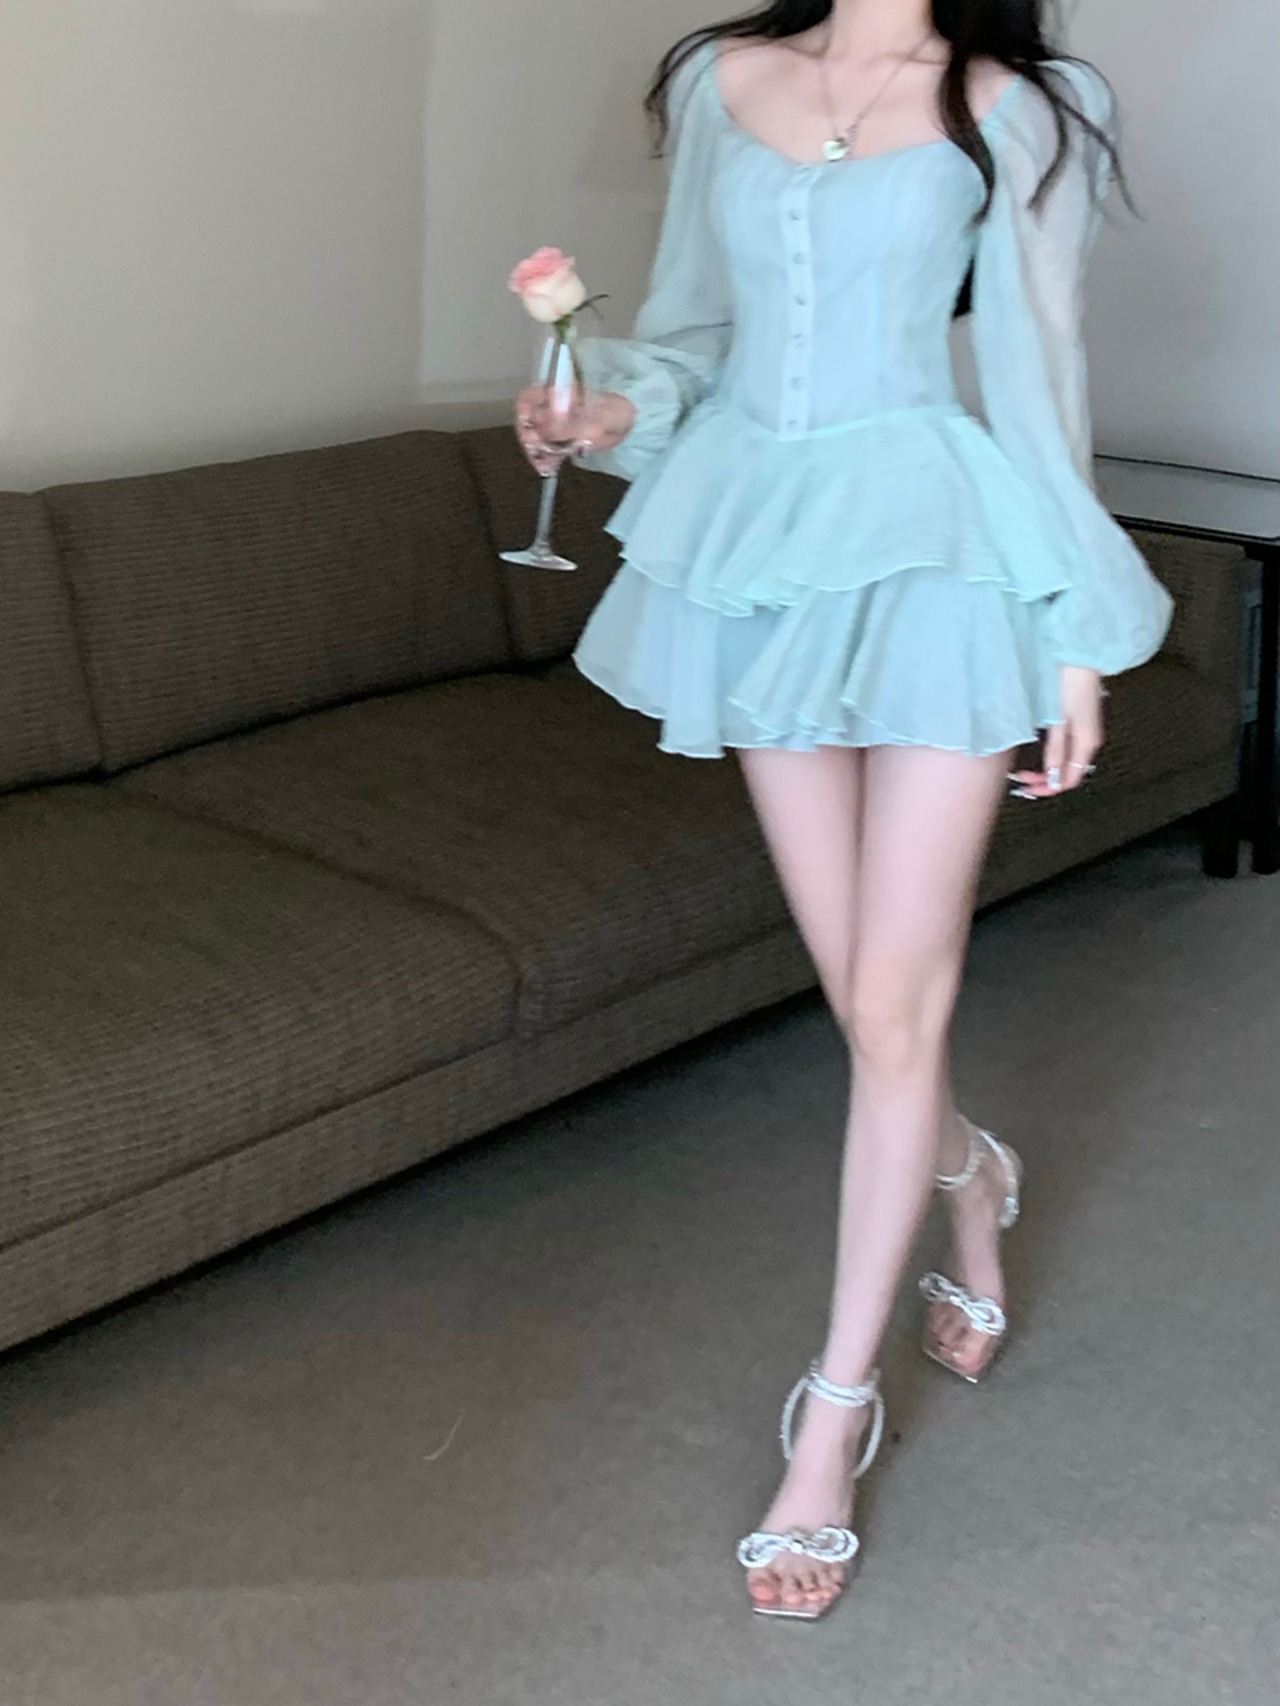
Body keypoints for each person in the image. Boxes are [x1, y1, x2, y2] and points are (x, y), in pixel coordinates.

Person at [514, 0, 1173, 1623]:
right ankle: (972, 1171)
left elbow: (1039, 373)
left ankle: (832, 1412)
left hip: (944, 546)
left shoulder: (1016, 104)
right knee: (862, 1000)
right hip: (757, 543)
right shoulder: (718, 78)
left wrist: (1075, 640)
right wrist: (608, 407)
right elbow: (693, 329)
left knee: (896, 1006)